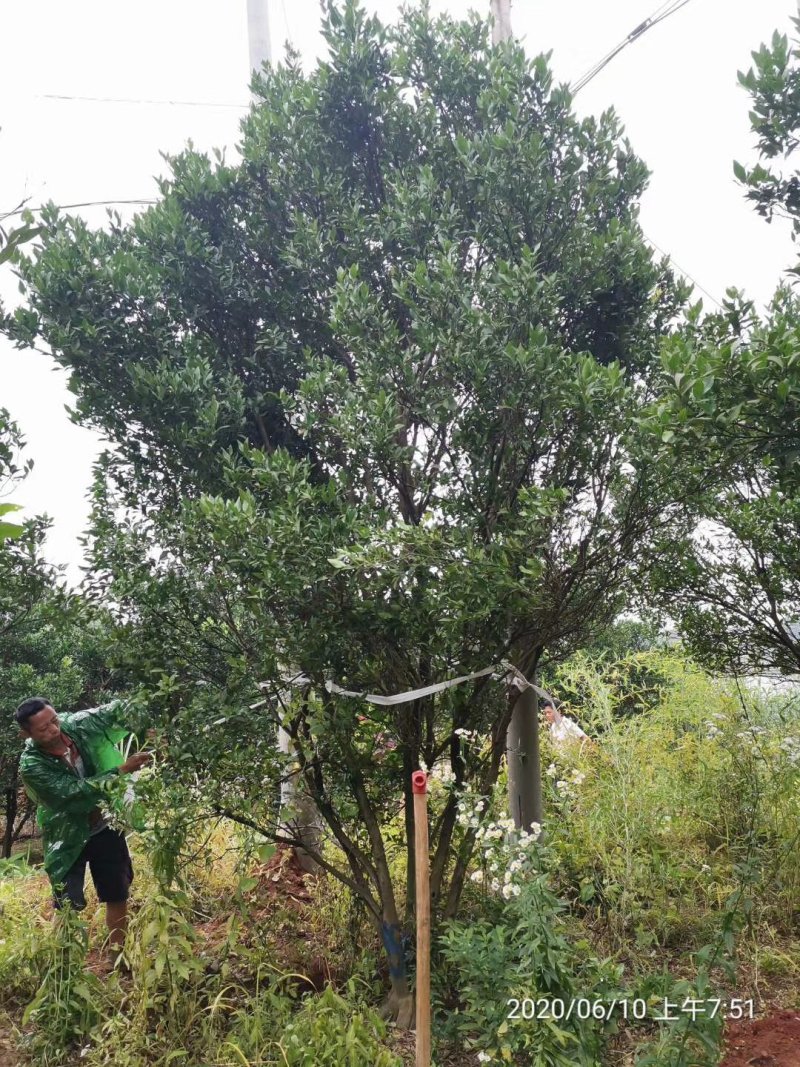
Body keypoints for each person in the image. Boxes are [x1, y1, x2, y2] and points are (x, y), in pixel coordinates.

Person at [15, 696, 151, 955]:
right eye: (43, 728)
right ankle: (63, 963)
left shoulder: (75, 726)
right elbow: (72, 793)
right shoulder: (32, 765)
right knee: (67, 901)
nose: (54, 729)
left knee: (116, 889)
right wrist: (121, 771)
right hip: (65, 835)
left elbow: (119, 709)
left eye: (54, 720)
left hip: (104, 823)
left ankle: (118, 954)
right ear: (26, 734)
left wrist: (146, 728)